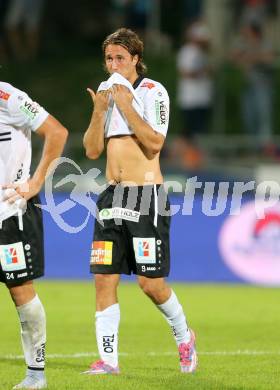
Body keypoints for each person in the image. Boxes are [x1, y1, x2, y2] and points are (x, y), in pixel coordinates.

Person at [83, 27, 197, 375]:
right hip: (111, 196)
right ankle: (108, 361)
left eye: (120, 57)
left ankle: (184, 336)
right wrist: (100, 111)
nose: (113, 64)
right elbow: (91, 149)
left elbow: (154, 144)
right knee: (104, 277)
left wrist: (127, 106)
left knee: (151, 284)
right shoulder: (105, 91)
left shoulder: (152, 92)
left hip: (146, 197)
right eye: (108, 58)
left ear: (135, 59)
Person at [0, 82, 68, 389]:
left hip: (9, 212)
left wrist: (37, 181)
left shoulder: (7, 96)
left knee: (20, 291)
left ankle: (35, 374)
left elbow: (57, 132)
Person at [175, 21, 213, 169]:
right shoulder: (188, 51)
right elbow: (185, 72)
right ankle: (183, 157)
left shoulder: (204, 53)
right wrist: (203, 71)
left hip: (202, 98)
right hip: (190, 98)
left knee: (196, 131)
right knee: (188, 131)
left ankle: (192, 158)